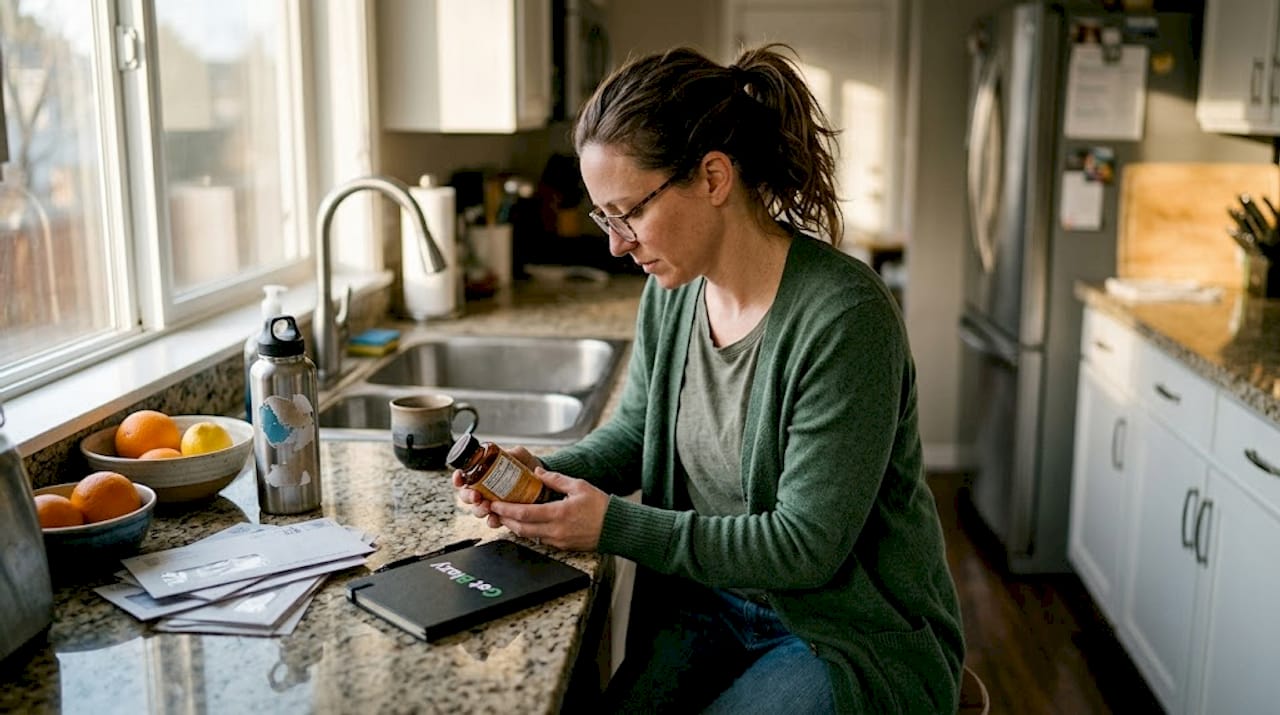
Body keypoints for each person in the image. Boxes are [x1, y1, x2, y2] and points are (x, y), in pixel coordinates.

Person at [453, 44, 965, 713]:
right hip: (709, 607)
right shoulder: (674, 289)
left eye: (629, 212)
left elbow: (805, 546)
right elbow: (640, 431)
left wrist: (611, 526)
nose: (616, 242)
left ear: (713, 178)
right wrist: (540, 478)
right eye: (605, 217)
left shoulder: (845, 319)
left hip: (841, 635)